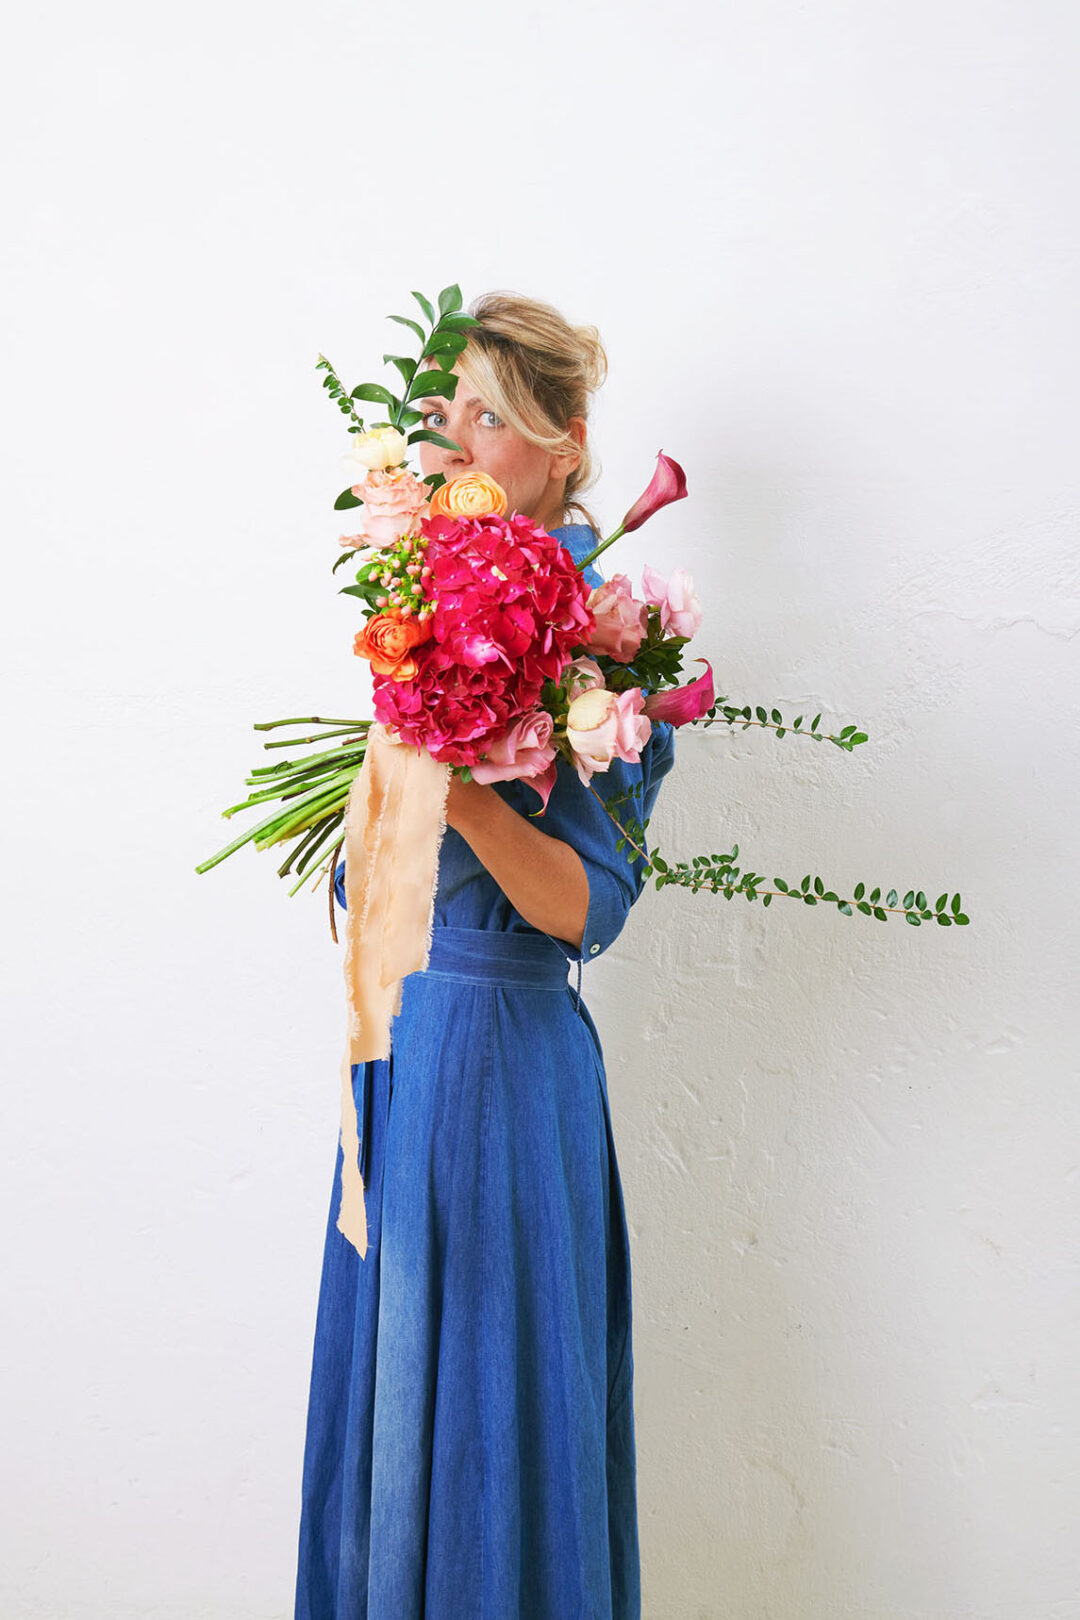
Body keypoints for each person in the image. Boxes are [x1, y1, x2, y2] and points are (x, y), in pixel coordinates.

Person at [294, 292, 676, 1619]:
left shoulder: (611, 651)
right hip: (402, 1052)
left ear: (567, 443)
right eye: (452, 415)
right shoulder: (426, 605)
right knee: (391, 1408)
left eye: (496, 422)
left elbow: (588, 907)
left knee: (498, 1406)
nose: (462, 444)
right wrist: (400, 751)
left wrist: (453, 784)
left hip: (513, 1071)